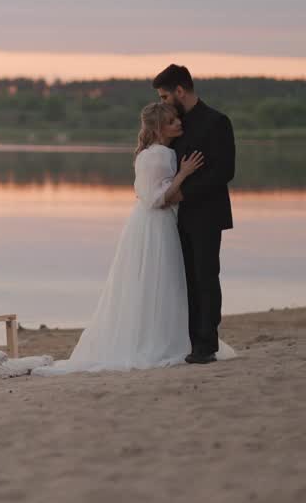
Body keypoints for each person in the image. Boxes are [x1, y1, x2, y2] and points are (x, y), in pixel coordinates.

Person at [34, 102, 212, 375]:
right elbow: (156, 199)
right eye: (172, 121)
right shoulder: (160, 155)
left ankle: (160, 336)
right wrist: (184, 175)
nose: (179, 123)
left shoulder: (152, 153)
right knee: (160, 279)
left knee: (150, 281)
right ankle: (160, 340)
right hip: (156, 224)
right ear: (158, 128)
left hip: (146, 224)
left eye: (177, 119)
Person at [154, 63, 235, 364]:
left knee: (205, 276)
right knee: (186, 279)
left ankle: (206, 344)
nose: (163, 102)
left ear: (179, 90)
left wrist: (185, 192)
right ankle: (190, 341)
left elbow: (225, 170)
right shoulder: (176, 123)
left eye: (164, 96)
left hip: (208, 213)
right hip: (178, 215)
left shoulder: (217, 122)